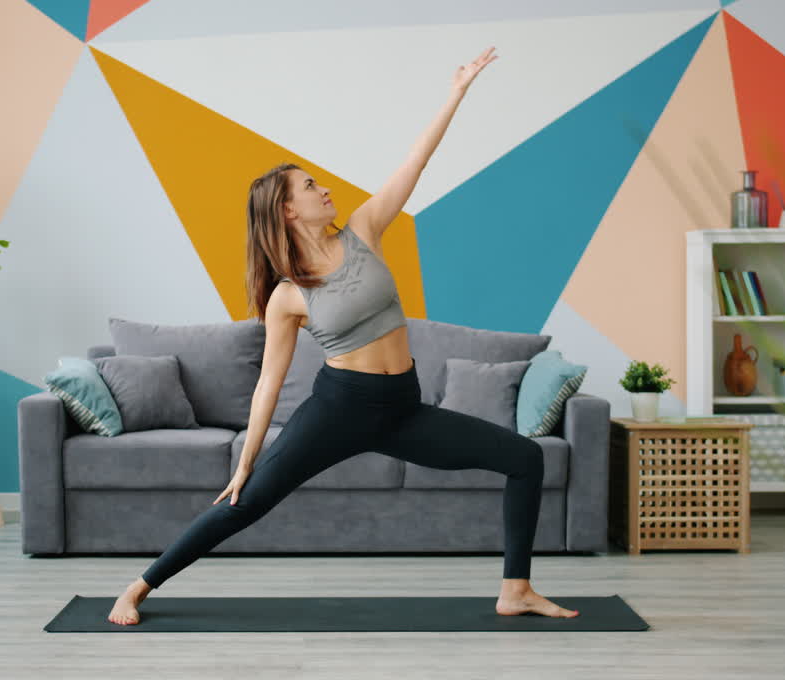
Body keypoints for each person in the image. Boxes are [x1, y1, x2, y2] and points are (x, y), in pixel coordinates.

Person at [109, 46, 578, 625]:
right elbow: (267, 385)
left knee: (525, 458)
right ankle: (138, 586)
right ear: (286, 211)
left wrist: (456, 92)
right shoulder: (287, 295)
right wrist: (245, 459)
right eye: (309, 185)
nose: (322, 188)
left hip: (403, 407)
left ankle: (516, 588)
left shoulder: (364, 230)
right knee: (245, 502)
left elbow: (415, 162)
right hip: (339, 410)